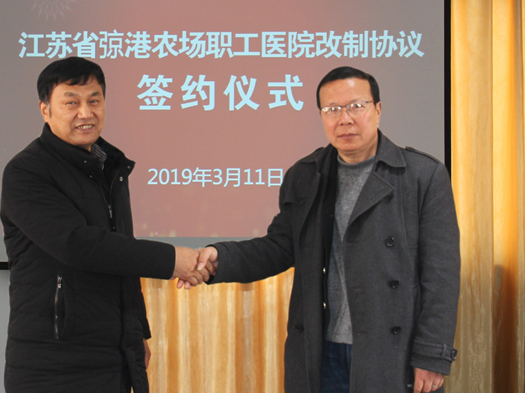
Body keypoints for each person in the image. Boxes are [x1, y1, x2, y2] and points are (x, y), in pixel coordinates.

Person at [196, 66, 460, 393]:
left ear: (378, 109)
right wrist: (220, 257)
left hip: (393, 352)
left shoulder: (421, 176)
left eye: (356, 106)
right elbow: (279, 247)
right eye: (332, 110)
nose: (344, 119)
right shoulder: (306, 175)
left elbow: (441, 275)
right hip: (322, 349)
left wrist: (432, 356)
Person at [0, 56, 209, 393]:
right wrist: (172, 260)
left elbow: (120, 257)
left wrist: (136, 333)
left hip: (113, 354)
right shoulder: (27, 171)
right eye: (71, 103)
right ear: (45, 110)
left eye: (94, 101)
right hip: (53, 362)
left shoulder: (108, 168)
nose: (86, 113)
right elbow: (77, 245)